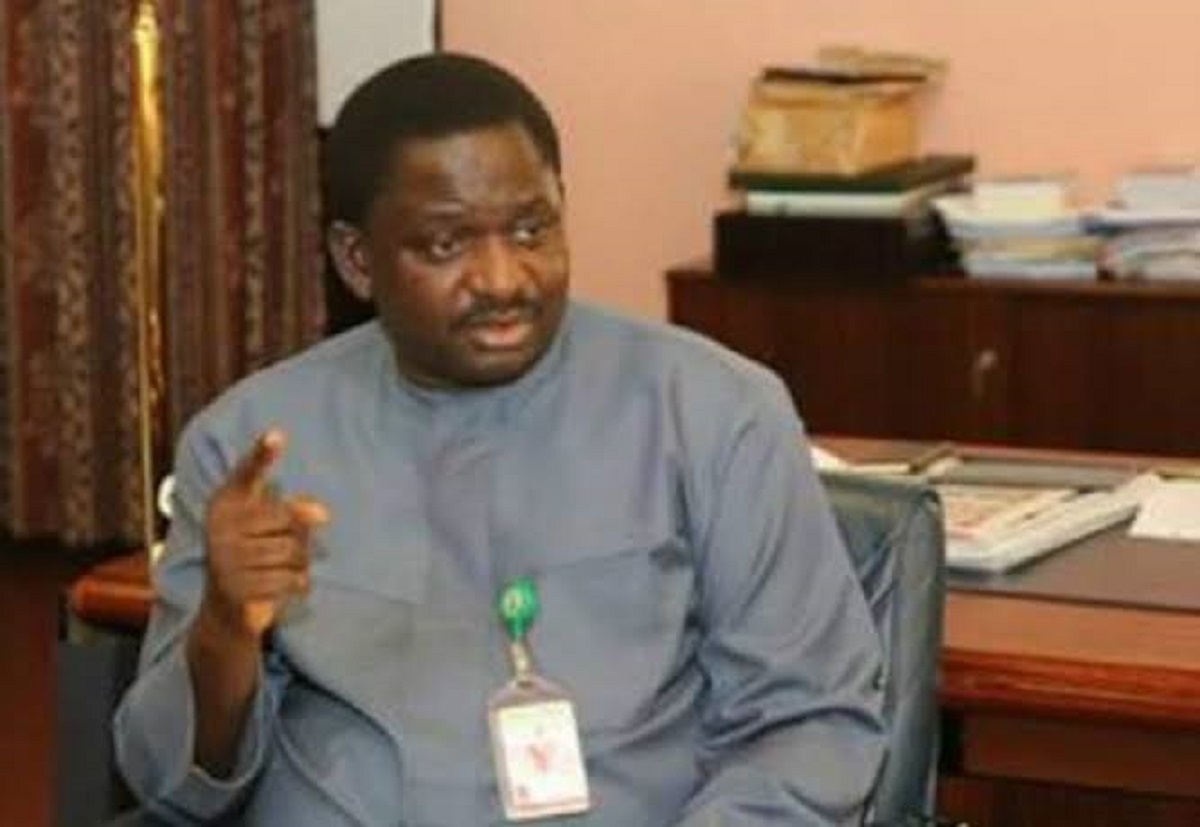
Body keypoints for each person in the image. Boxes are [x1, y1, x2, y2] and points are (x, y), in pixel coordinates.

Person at [113, 52, 886, 826]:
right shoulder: (251, 448)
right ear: (357, 260)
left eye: (530, 230)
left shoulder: (715, 412)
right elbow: (170, 785)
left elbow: (808, 725)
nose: (504, 279)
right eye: (446, 244)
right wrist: (225, 628)